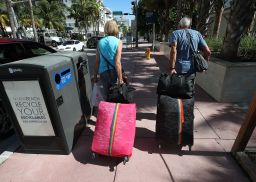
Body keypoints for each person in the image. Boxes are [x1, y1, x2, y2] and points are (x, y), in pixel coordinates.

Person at [93, 20, 123, 97]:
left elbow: (97, 61)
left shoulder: (100, 42)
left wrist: (95, 76)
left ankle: (107, 107)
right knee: (115, 94)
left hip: (103, 72)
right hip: (114, 72)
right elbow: (117, 62)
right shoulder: (118, 42)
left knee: (107, 94)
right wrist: (120, 79)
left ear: (106, 28)